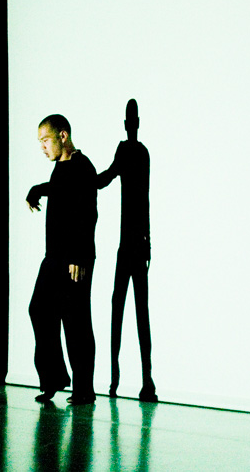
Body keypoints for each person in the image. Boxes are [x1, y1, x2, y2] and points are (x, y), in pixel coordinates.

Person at [26, 114, 98, 405]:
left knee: (75, 322)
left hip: (74, 259)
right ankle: (54, 378)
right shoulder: (61, 168)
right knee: (39, 310)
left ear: (63, 136)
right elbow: (60, 188)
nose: (42, 147)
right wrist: (37, 189)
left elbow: (88, 214)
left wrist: (78, 256)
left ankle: (84, 389)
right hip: (54, 257)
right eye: (40, 142)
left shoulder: (83, 167)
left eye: (45, 140)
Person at [98, 99, 157, 402]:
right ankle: (140, 380)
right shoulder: (141, 152)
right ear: (136, 123)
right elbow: (144, 198)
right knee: (136, 311)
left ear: (127, 124)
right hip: (137, 243)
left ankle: (118, 380)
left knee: (121, 309)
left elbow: (107, 178)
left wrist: (84, 179)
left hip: (130, 245)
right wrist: (148, 242)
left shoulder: (127, 151)